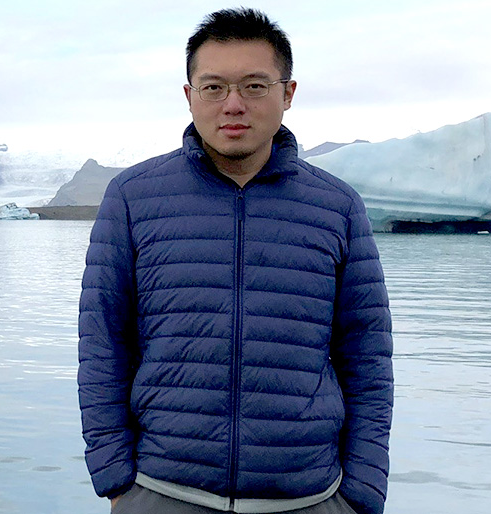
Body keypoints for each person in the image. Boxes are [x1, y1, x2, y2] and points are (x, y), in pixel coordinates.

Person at [78, 8, 393, 514]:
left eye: (254, 86)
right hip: (162, 491)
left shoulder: (336, 206)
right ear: (189, 96)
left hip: (308, 497)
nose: (233, 105)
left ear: (287, 94)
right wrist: (116, 479)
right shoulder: (133, 198)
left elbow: (367, 355)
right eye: (213, 87)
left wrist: (363, 490)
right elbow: (102, 341)